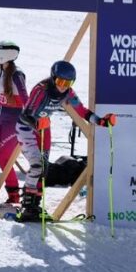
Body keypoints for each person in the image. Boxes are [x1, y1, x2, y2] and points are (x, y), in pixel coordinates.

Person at [14, 60, 117, 222]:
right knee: (37, 166)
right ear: (53, 78)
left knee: (44, 170)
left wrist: (101, 121)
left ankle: (35, 206)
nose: (63, 86)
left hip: (44, 130)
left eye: (68, 83)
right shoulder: (41, 90)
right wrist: (37, 123)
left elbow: (82, 111)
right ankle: (27, 206)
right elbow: (26, 115)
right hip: (27, 129)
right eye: (60, 82)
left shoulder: (68, 93)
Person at [0, 41, 27, 205]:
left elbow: (25, 98)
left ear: (5, 54)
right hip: (0, 117)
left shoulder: (17, 74)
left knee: (4, 158)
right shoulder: (3, 70)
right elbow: (5, 98)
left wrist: (31, 117)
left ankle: (14, 195)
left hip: (14, 120)